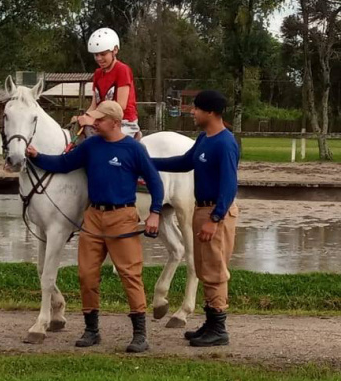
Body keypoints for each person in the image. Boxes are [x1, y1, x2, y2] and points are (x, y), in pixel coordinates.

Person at [26, 100, 163, 353]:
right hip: (93, 217)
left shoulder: (134, 149)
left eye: (100, 119)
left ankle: (140, 334)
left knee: (130, 275)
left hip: (122, 217)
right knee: (86, 274)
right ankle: (92, 330)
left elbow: (155, 183)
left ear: (114, 122)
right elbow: (63, 164)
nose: (95, 122)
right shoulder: (90, 146)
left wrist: (154, 213)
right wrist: (38, 157)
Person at [151, 90, 239, 347]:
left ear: (210, 112)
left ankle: (219, 328)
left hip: (216, 212)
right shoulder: (204, 138)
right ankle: (210, 323)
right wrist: (147, 160)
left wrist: (215, 218)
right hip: (202, 209)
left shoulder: (225, 143)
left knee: (214, 271)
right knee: (203, 267)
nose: (192, 113)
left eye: (196, 109)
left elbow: (229, 185)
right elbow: (183, 162)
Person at [77, 28, 141, 139]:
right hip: (103, 121)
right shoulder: (97, 73)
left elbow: (120, 106)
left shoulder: (122, 70)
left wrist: (93, 118)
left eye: (103, 54)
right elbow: (94, 105)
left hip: (123, 121)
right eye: (96, 55)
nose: (99, 58)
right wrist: (84, 117)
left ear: (115, 50)